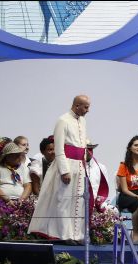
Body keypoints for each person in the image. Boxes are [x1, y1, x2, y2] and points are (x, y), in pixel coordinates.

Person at [29, 95, 92, 244]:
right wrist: (64, 170)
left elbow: (82, 143)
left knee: (78, 200)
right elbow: (59, 147)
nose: (88, 110)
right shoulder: (63, 120)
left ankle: (76, 235)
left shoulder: (82, 120)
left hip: (79, 165)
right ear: (76, 105)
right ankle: (64, 235)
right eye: (85, 107)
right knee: (64, 200)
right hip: (67, 165)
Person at [116, 136, 138, 243]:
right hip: (127, 195)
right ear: (130, 148)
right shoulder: (124, 165)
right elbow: (124, 189)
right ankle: (136, 234)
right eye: (136, 145)